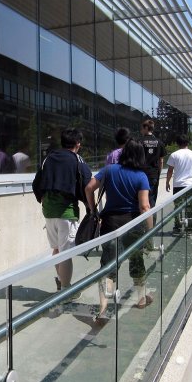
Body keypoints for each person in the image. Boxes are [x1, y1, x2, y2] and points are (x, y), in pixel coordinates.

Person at [85, 138, 153, 324]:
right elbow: (145, 207)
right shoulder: (141, 176)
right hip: (132, 223)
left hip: (111, 223)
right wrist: (150, 230)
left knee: (108, 266)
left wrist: (93, 210)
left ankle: (103, 310)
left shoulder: (109, 170)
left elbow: (89, 188)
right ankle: (140, 299)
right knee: (137, 260)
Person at [32, 128, 92, 297]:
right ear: (77, 144)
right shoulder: (77, 160)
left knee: (57, 249)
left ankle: (61, 281)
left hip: (48, 211)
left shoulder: (49, 158)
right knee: (66, 253)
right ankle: (66, 292)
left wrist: (43, 199)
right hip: (66, 212)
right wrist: (91, 209)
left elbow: (37, 183)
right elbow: (87, 186)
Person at [165, 134, 192, 235]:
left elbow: (170, 171)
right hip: (190, 185)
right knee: (189, 207)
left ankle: (177, 228)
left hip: (177, 185)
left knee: (177, 207)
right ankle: (188, 230)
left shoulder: (174, 155)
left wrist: (167, 182)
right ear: (188, 142)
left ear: (177, 143)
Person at [139, 119, 166, 207]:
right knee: (152, 199)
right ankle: (152, 220)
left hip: (141, 174)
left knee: (140, 199)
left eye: (142, 128)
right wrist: (158, 173)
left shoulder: (139, 142)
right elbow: (161, 161)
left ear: (146, 128)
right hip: (153, 175)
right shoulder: (159, 142)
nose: (141, 131)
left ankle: (141, 219)